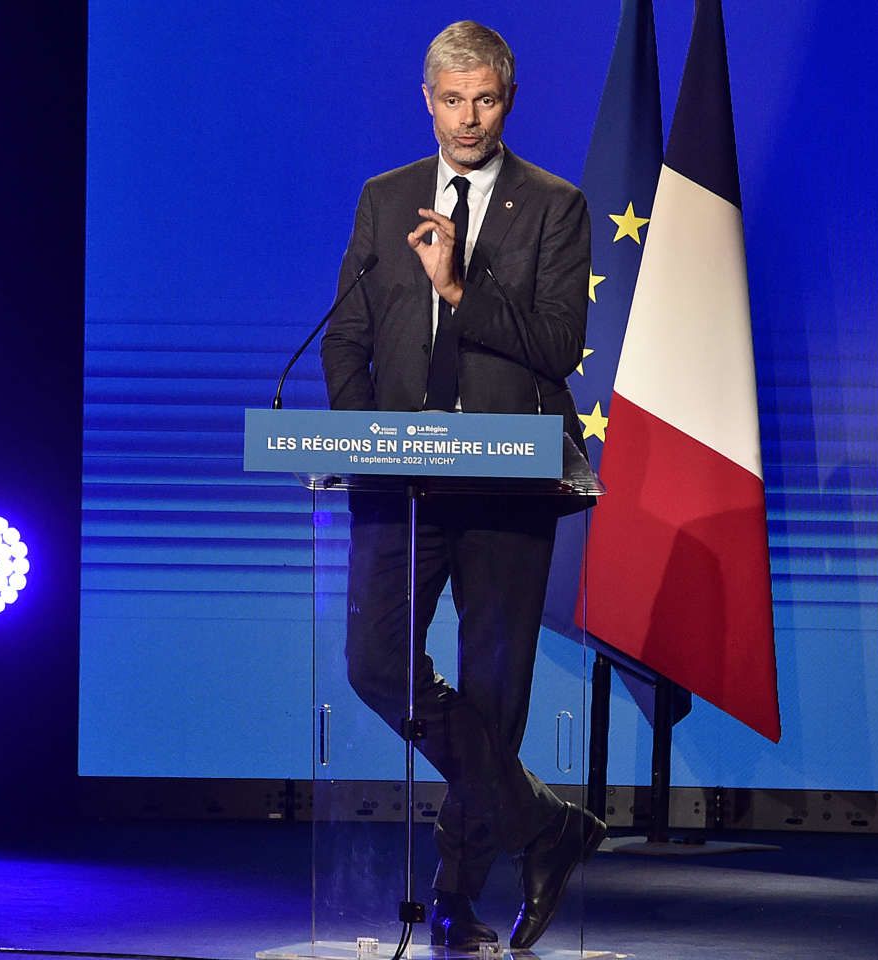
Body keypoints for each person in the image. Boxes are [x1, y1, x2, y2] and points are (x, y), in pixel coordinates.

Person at [319, 20, 606, 951]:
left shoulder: (553, 205)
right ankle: (542, 825)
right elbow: (347, 338)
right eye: (452, 100)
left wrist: (457, 289)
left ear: (507, 99)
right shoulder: (385, 197)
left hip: (509, 486)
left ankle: (452, 902)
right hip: (399, 482)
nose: (468, 117)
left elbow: (559, 345)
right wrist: (366, 436)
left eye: (484, 99)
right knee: (375, 666)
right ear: (427, 100)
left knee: (493, 697)